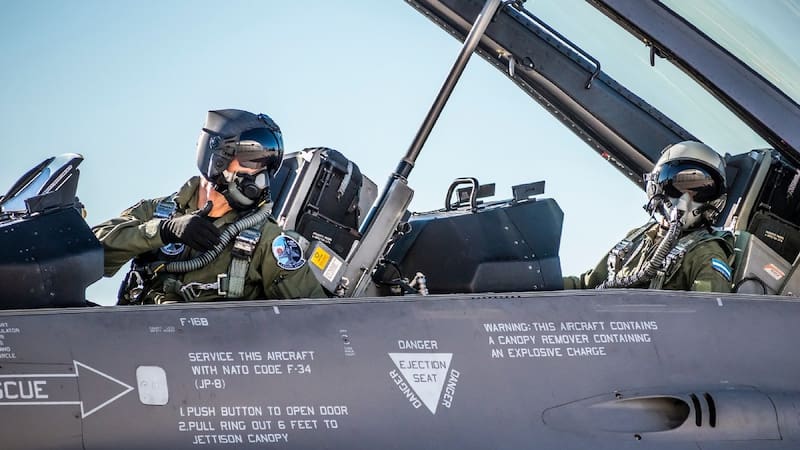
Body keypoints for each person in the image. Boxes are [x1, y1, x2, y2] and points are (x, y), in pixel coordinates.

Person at [93, 109, 326, 304]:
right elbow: (90, 255)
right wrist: (163, 231)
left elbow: (319, 319)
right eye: (252, 159)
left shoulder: (265, 240)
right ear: (216, 157)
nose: (258, 174)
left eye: (265, 165)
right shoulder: (155, 212)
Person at [563, 140, 734, 293]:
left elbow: (710, 319)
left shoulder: (706, 255)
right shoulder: (636, 240)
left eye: (700, 191)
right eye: (675, 186)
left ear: (714, 201)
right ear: (656, 187)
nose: (685, 200)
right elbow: (588, 286)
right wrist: (541, 284)